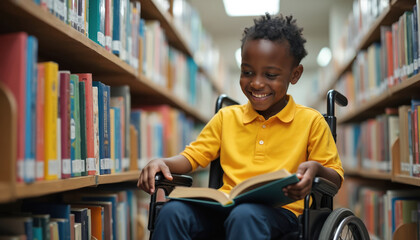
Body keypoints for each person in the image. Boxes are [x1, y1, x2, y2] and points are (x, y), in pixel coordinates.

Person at [137, 13, 344, 240]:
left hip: (283, 214)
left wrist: (315, 170)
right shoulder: (226, 117)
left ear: (295, 75)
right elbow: (192, 157)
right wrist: (162, 163)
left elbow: (334, 176)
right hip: (224, 209)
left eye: (270, 75)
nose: (256, 82)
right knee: (173, 212)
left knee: (245, 214)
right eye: (247, 72)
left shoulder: (311, 121)